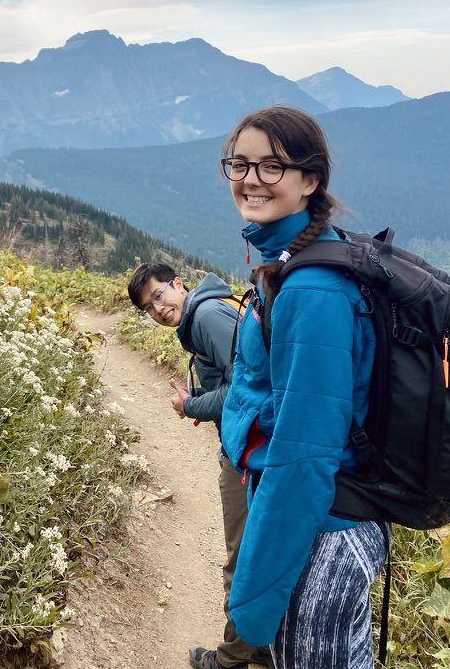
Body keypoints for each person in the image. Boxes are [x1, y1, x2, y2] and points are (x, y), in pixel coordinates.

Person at [219, 106, 389, 669]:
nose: (251, 179)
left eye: (272, 166)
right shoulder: (293, 261)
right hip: (326, 526)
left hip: (322, 537)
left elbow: (304, 453)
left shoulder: (312, 290)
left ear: (310, 180)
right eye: (240, 164)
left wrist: (253, 597)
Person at [128, 264, 273, 669]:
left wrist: (190, 405)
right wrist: (196, 396)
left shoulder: (206, 316)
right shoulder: (207, 310)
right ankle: (261, 644)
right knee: (256, 549)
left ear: (178, 284)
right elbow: (237, 377)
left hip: (249, 454)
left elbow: (242, 389)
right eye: (148, 308)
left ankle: (232, 657)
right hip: (257, 446)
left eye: (158, 296)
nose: (157, 310)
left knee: (242, 555)